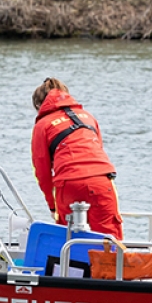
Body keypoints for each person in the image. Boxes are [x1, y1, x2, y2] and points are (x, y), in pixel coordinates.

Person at [30, 78, 122, 239]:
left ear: (40, 105)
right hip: (102, 180)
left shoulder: (42, 125)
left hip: (69, 183)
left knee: (68, 241)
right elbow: (97, 148)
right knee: (110, 240)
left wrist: (53, 207)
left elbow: (42, 172)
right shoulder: (88, 116)